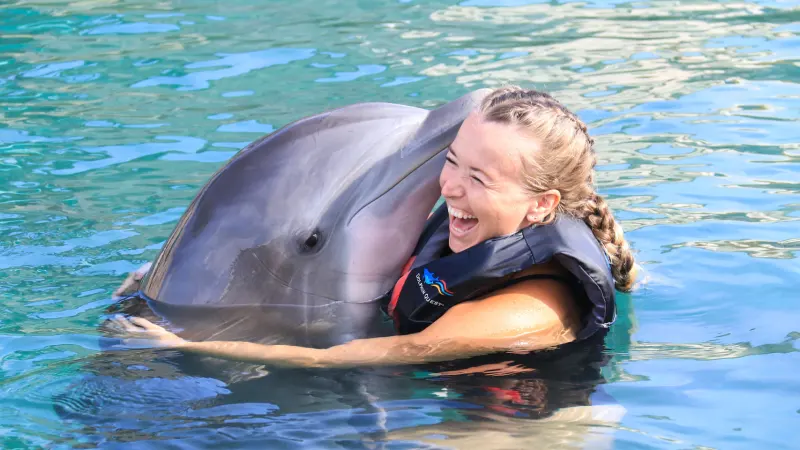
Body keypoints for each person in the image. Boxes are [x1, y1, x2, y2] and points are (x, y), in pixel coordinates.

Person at [111, 86, 637, 369]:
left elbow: (360, 359)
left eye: (478, 177)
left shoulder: (532, 305)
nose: (449, 185)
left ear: (541, 204)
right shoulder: (475, 232)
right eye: (451, 161)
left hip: (507, 429)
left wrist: (189, 347)